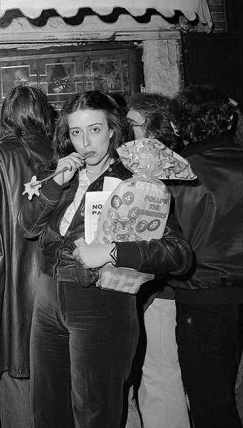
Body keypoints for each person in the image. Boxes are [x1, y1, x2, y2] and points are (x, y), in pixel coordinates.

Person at [18, 91, 192, 428]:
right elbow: (27, 226)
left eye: (94, 130)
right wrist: (55, 185)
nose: (85, 142)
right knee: (49, 409)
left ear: (112, 130)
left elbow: (178, 253)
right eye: (76, 132)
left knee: (95, 412)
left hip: (100, 302)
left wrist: (114, 251)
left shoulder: (134, 179)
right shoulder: (58, 173)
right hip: (47, 299)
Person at [0, 85, 54, 427]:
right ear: (44, 114)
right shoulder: (64, 152)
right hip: (54, 275)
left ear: (6, 116)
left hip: (9, 275)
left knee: (12, 372)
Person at [167, 85, 243, 428]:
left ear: (179, 127)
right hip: (213, 295)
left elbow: (166, 245)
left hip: (205, 300)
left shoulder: (177, 173)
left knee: (211, 402)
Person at [125, 93, 190, 428]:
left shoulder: (174, 169)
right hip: (144, 284)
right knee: (142, 376)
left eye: (133, 124)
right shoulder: (137, 167)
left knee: (159, 374)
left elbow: (177, 239)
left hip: (163, 288)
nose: (126, 130)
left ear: (154, 126)